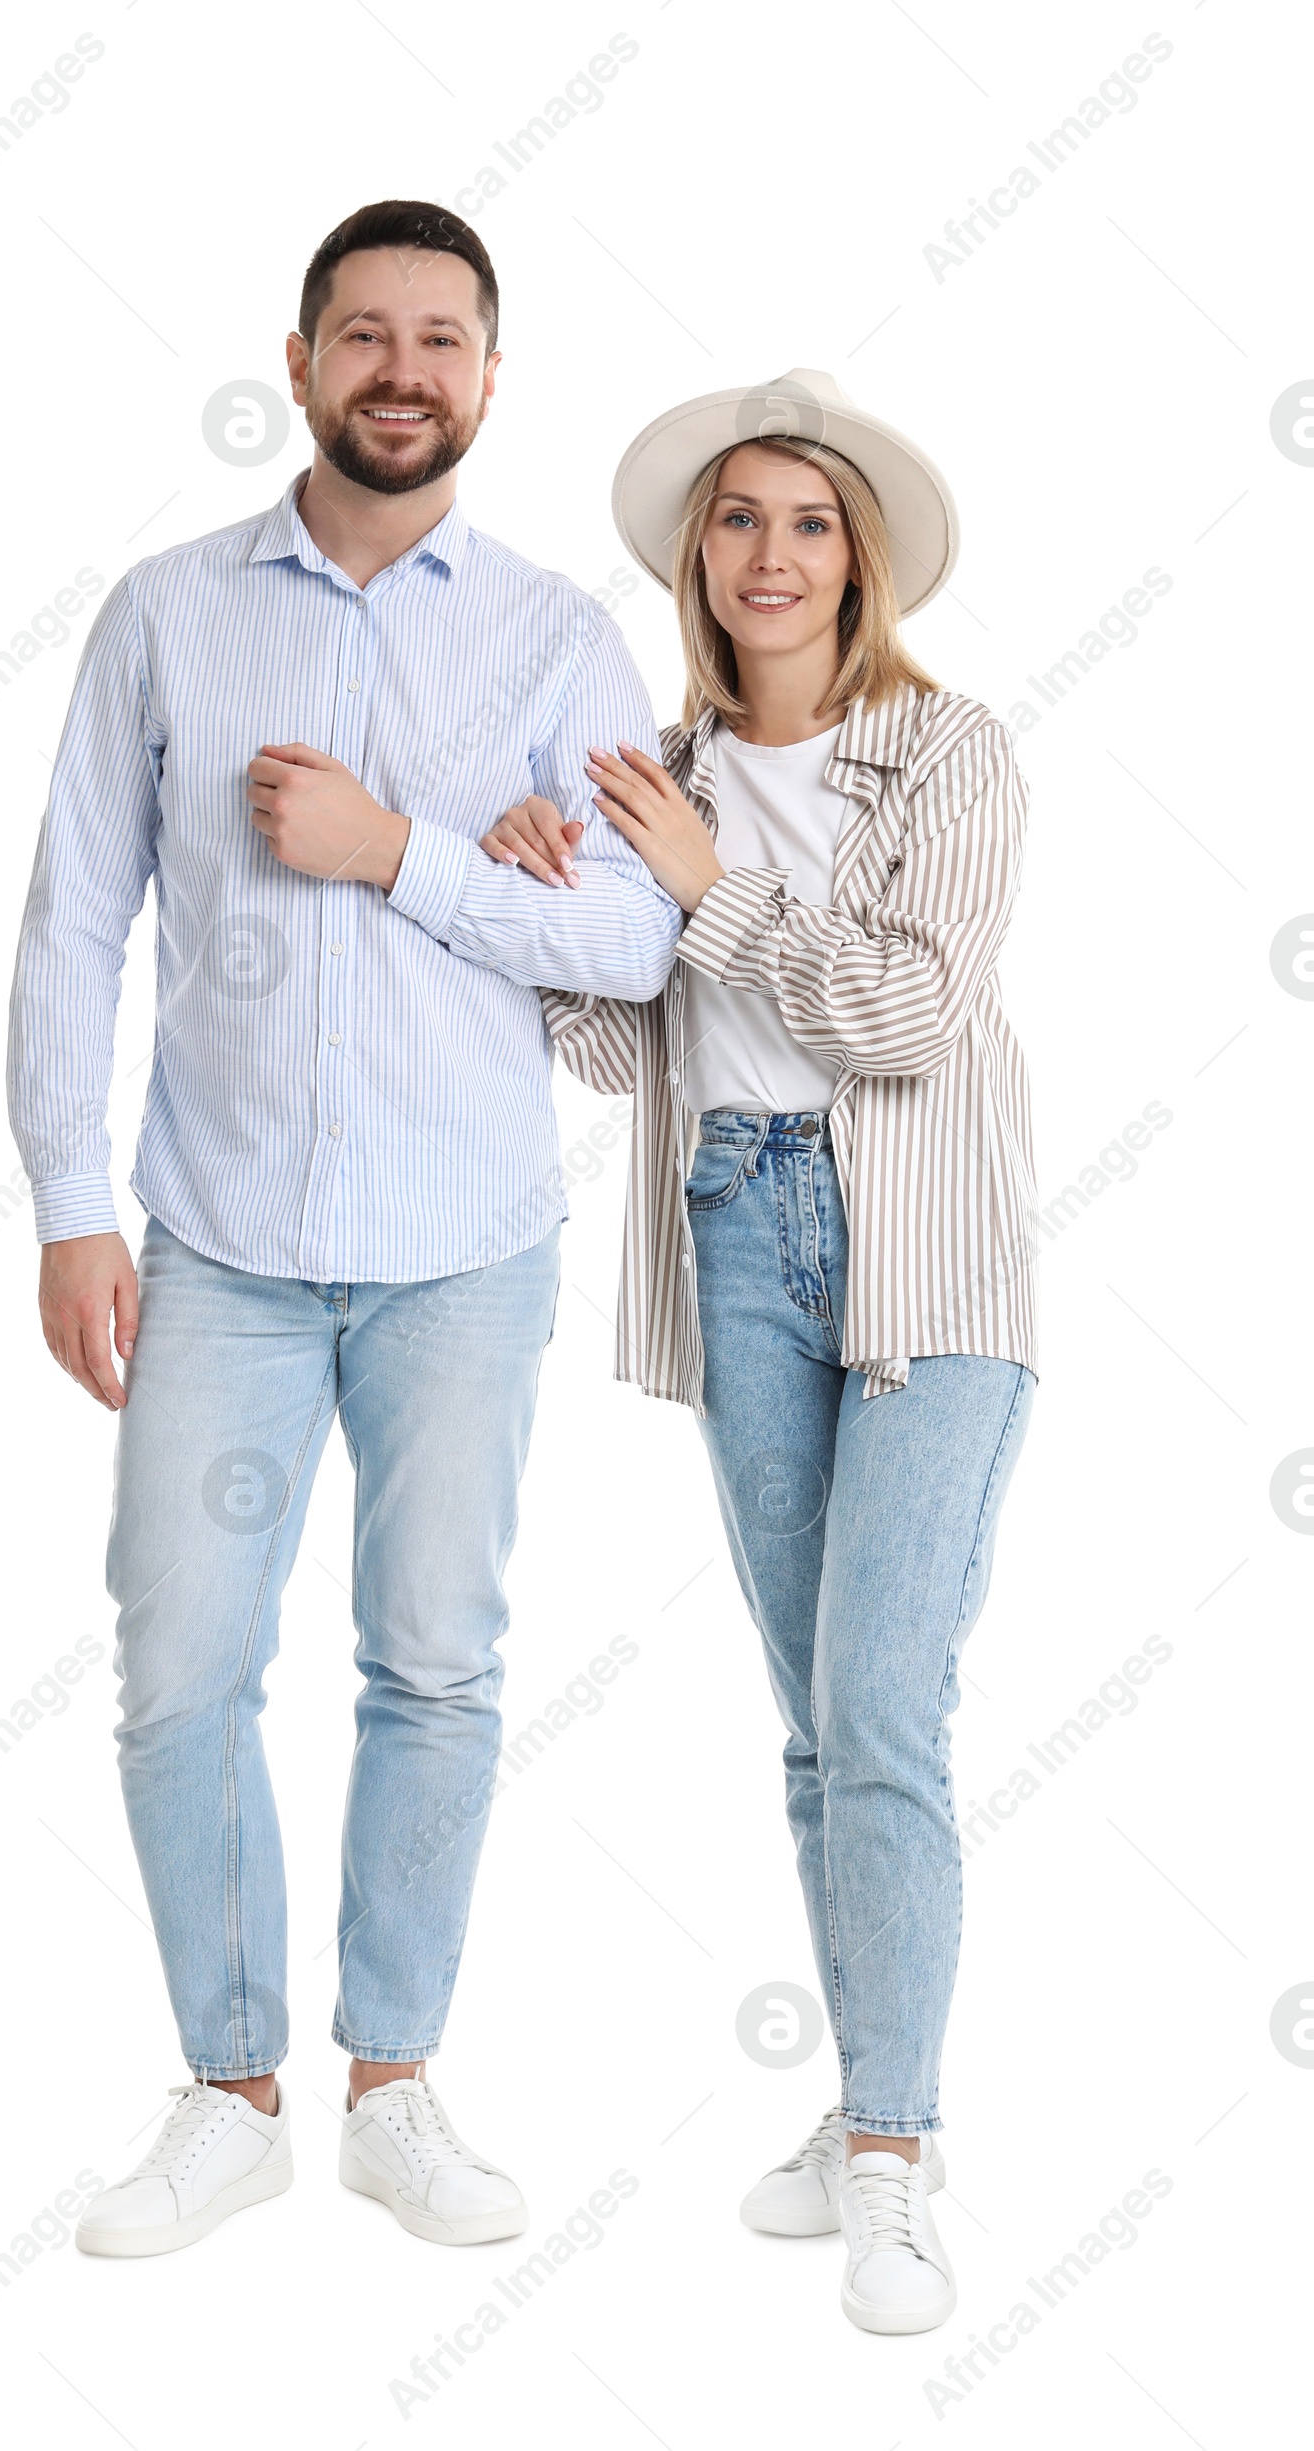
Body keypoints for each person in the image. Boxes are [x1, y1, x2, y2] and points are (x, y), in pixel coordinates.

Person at [6, 200, 680, 2258]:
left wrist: (398, 855)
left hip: (464, 1243)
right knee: (182, 1665)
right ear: (297, 361)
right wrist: (60, 1205)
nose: (403, 369)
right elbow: (71, 919)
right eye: (364, 333)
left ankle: (393, 2081)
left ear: (489, 381)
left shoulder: (559, 633)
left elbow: (640, 941)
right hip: (214, 1235)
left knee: (437, 1663)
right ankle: (228, 2088)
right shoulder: (166, 612)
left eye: (442, 339)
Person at [481, 372, 1037, 2334]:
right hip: (732, 1231)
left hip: (922, 1269)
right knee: (815, 1711)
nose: (769, 554)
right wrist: (552, 903)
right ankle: (864, 2107)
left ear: (854, 557)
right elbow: (628, 1049)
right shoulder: (654, 771)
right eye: (735, 521)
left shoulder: (947, 753)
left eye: (805, 522)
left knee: (879, 1695)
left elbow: (893, 1012)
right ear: (693, 561)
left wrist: (707, 898)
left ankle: (890, 2150)